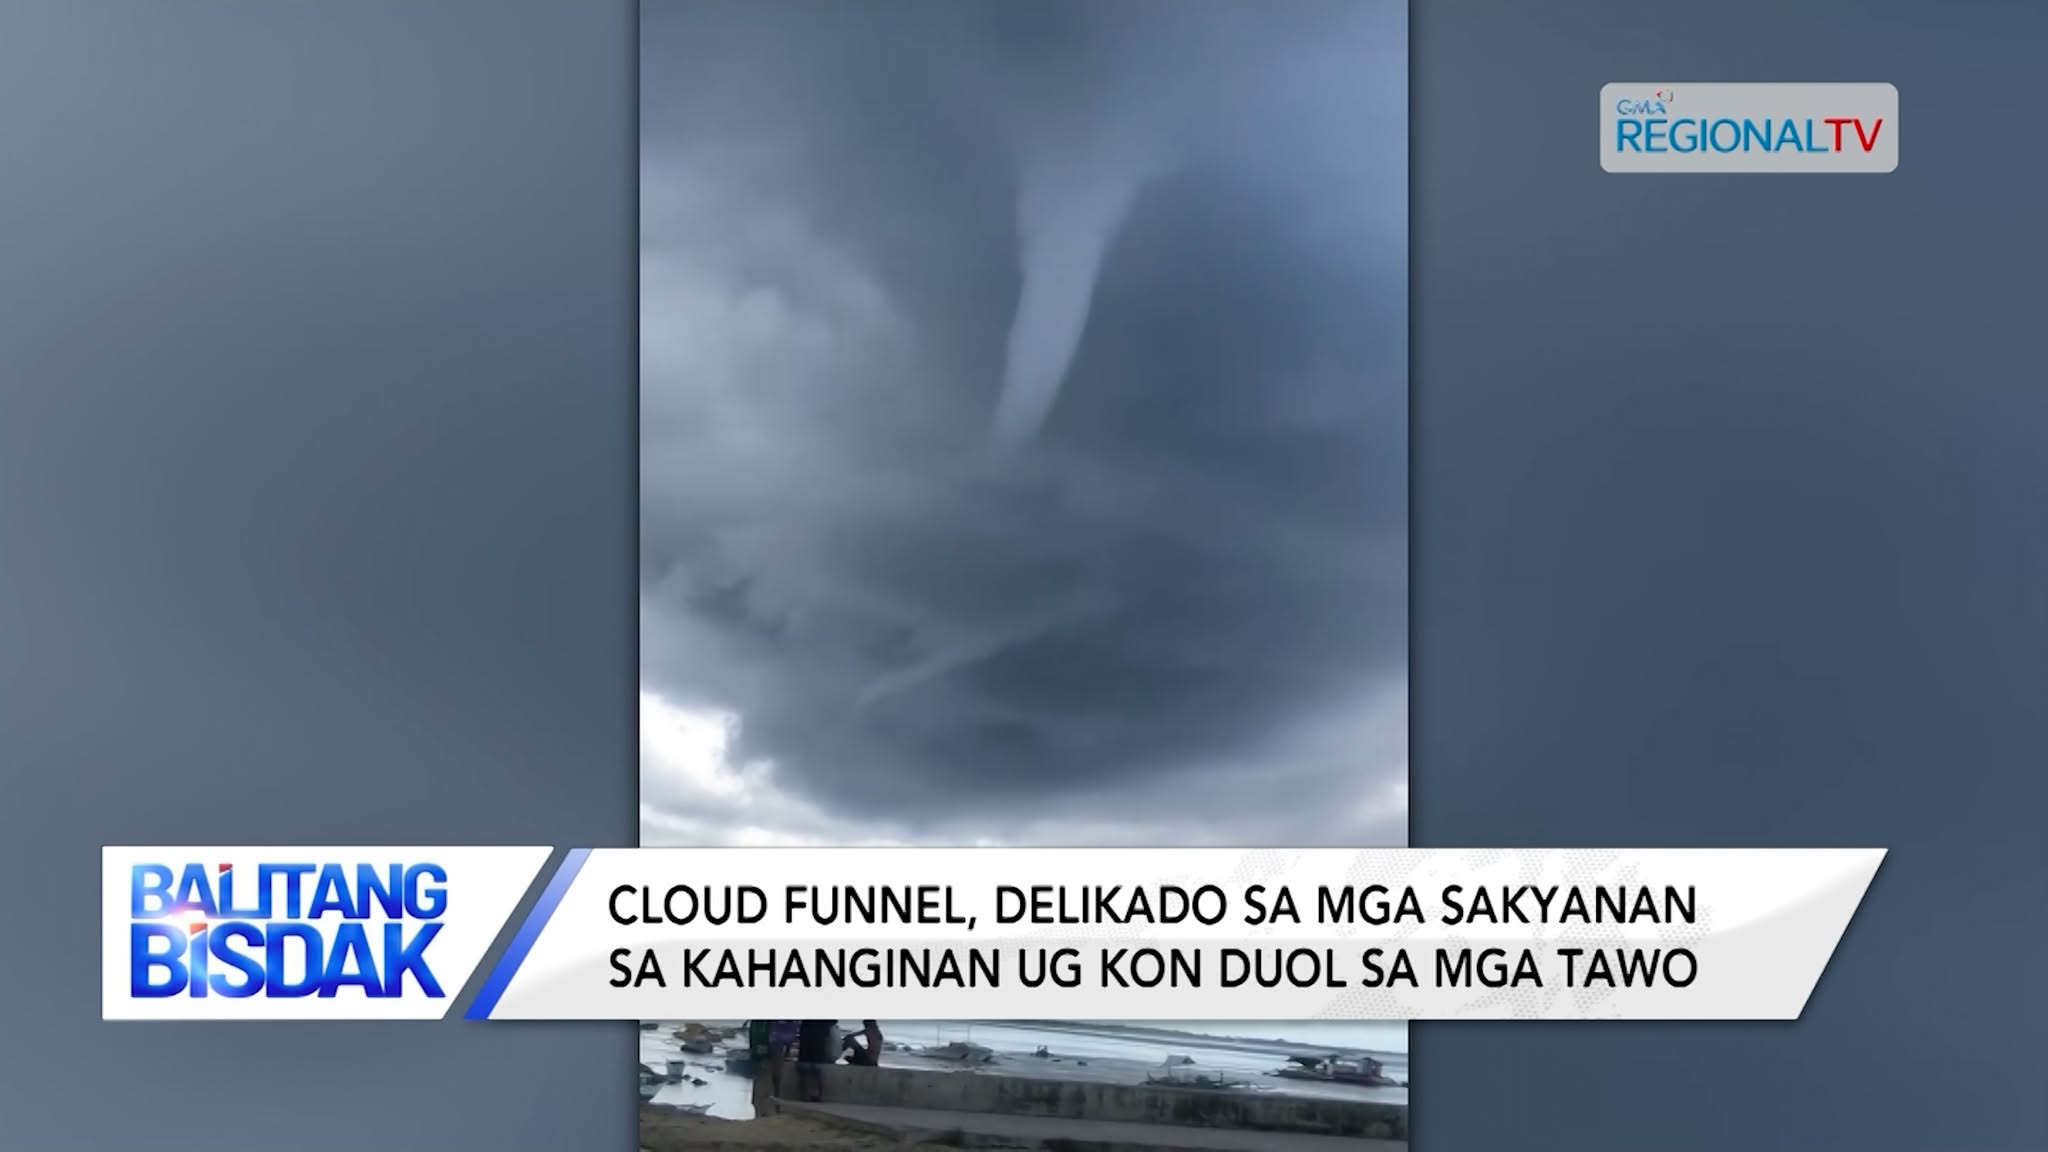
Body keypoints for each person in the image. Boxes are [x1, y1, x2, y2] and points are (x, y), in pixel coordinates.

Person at [795, 1019, 834, 1102]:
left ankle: (806, 1095)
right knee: (817, 1070)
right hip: (820, 1039)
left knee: (806, 1069)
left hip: (808, 1037)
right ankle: (818, 1095)